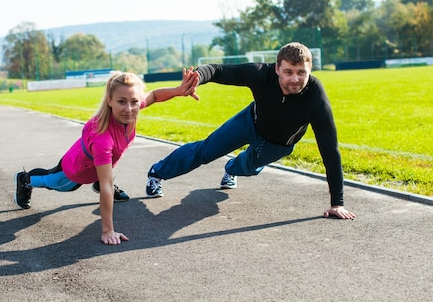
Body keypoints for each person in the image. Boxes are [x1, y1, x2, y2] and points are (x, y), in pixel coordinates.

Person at [145, 42, 356, 220]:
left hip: (278, 145)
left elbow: (330, 150)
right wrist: (198, 77)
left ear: (309, 71)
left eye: (301, 73)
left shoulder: (316, 99)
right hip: (249, 122)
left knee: (246, 167)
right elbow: (219, 70)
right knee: (206, 150)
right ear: (276, 69)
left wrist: (337, 203)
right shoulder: (260, 74)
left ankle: (231, 168)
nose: (295, 79)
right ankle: (157, 172)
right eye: (288, 72)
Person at [15, 69, 200, 245]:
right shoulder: (103, 139)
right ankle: (25, 179)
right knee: (58, 184)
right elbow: (107, 185)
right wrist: (107, 231)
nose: (129, 109)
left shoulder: (130, 107)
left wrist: (178, 91)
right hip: (76, 169)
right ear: (109, 100)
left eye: (134, 102)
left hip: (98, 163)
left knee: (105, 176)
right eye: (121, 102)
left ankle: (97, 178)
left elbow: (153, 96)